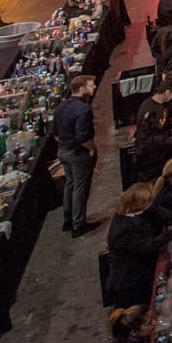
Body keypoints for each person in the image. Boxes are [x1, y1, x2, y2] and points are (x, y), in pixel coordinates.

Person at [53, 72, 99, 236]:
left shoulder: (61, 106)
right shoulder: (83, 109)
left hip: (63, 151)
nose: (94, 86)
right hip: (78, 154)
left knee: (70, 184)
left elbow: (55, 132)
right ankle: (78, 224)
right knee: (80, 188)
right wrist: (92, 148)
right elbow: (83, 136)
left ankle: (68, 219)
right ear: (81, 89)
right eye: (90, 85)